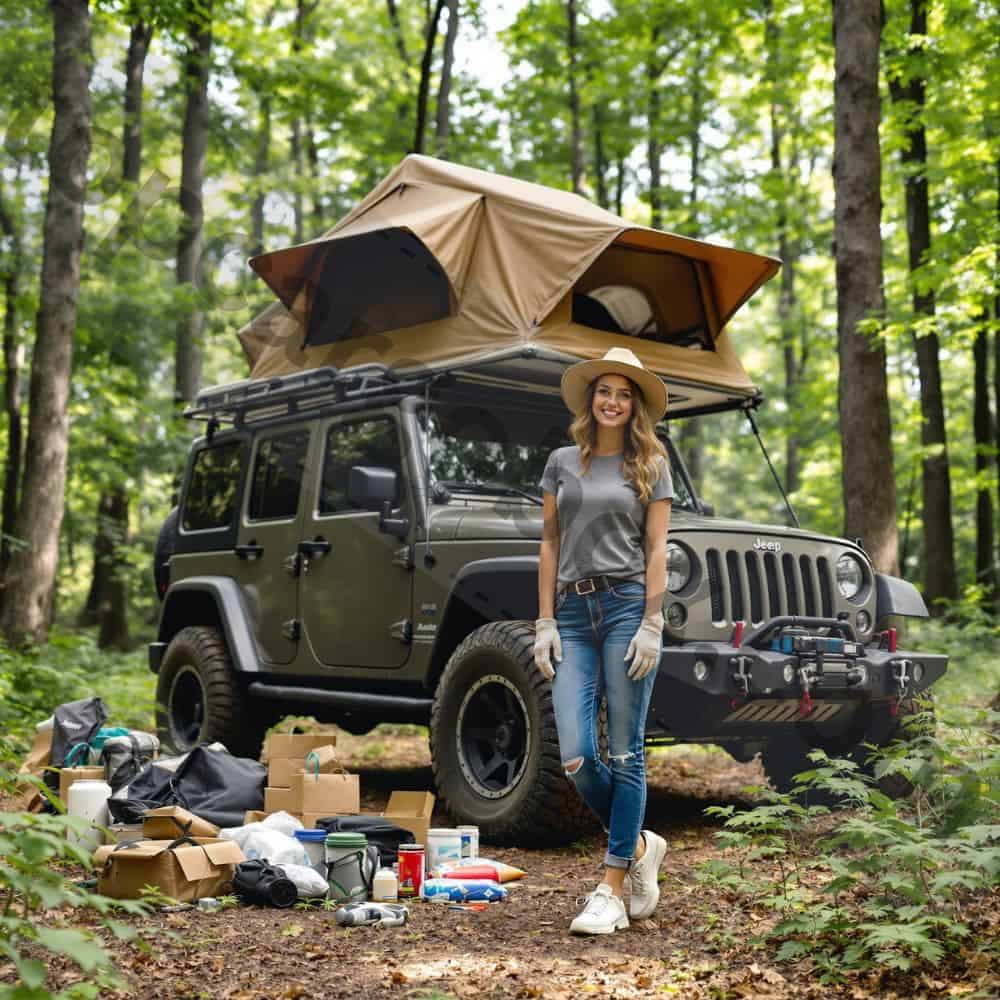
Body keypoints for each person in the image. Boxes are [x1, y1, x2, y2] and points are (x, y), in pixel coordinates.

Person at [535, 346, 672, 936]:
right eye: (604, 391)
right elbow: (548, 542)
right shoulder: (562, 461)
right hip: (570, 614)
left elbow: (658, 549)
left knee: (625, 751)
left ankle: (612, 886)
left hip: (624, 608)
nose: (612, 401)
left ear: (634, 404)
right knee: (574, 755)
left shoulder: (651, 465)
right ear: (590, 400)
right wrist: (542, 620)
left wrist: (652, 622)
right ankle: (642, 846)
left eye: (624, 393)